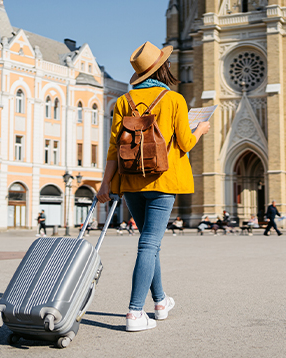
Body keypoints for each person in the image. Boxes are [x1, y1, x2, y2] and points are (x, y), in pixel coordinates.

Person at [96, 41, 210, 332]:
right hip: (163, 180)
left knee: (149, 241)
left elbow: (113, 149)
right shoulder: (174, 100)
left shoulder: (124, 101)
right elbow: (184, 144)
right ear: (162, 68)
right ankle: (135, 312)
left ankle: (160, 302)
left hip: (131, 181)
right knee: (149, 243)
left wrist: (104, 184)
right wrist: (200, 130)